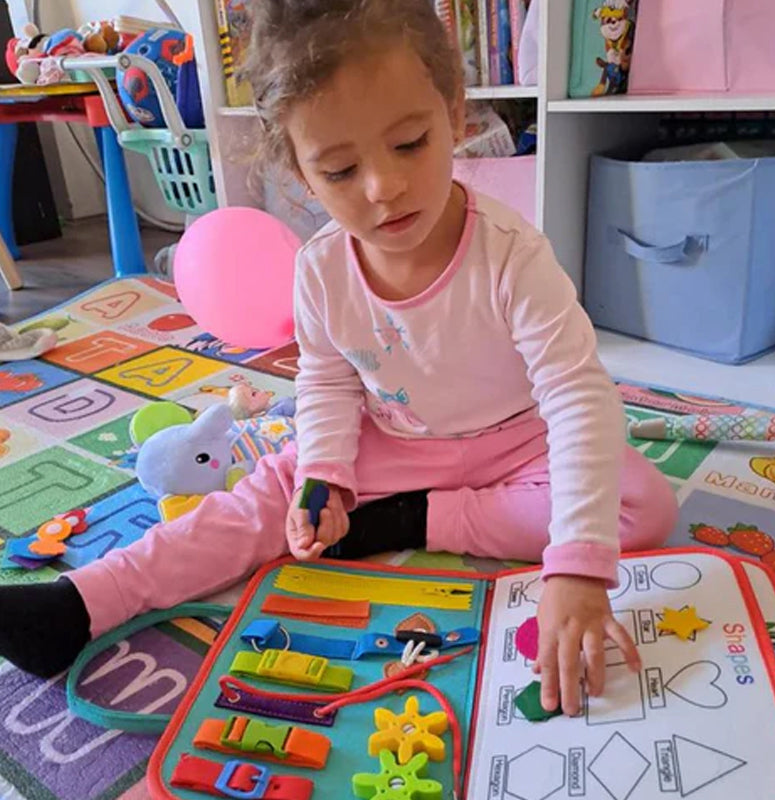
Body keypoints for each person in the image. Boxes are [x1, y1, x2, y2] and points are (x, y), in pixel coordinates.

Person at [0, 0, 677, 717]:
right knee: (259, 503)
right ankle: (79, 603)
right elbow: (325, 379)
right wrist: (325, 473)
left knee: (640, 504)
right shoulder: (321, 267)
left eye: (410, 144)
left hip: (517, 445)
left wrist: (575, 566)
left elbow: (578, 398)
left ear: (452, 110)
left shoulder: (512, 255)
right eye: (342, 169)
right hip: (388, 443)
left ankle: (410, 523)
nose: (383, 188)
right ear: (299, 170)